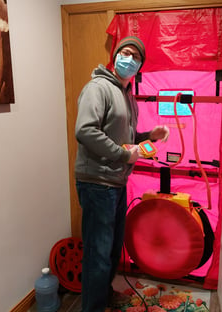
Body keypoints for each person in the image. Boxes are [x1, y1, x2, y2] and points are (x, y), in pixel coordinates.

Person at [74, 36, 169, 312]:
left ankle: (103, 297)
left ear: (140, 65)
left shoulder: (126, 93)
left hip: (116, 182)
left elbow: (121, 137)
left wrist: (147, 136)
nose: (128, 59)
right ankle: (92, 307)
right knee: (98, 254)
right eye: (124, 53)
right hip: (97, 183)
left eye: (135, 56)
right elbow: (85, 131)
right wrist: (124, 154)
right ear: (115, 56)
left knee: (113, 250)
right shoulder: (98, 88)